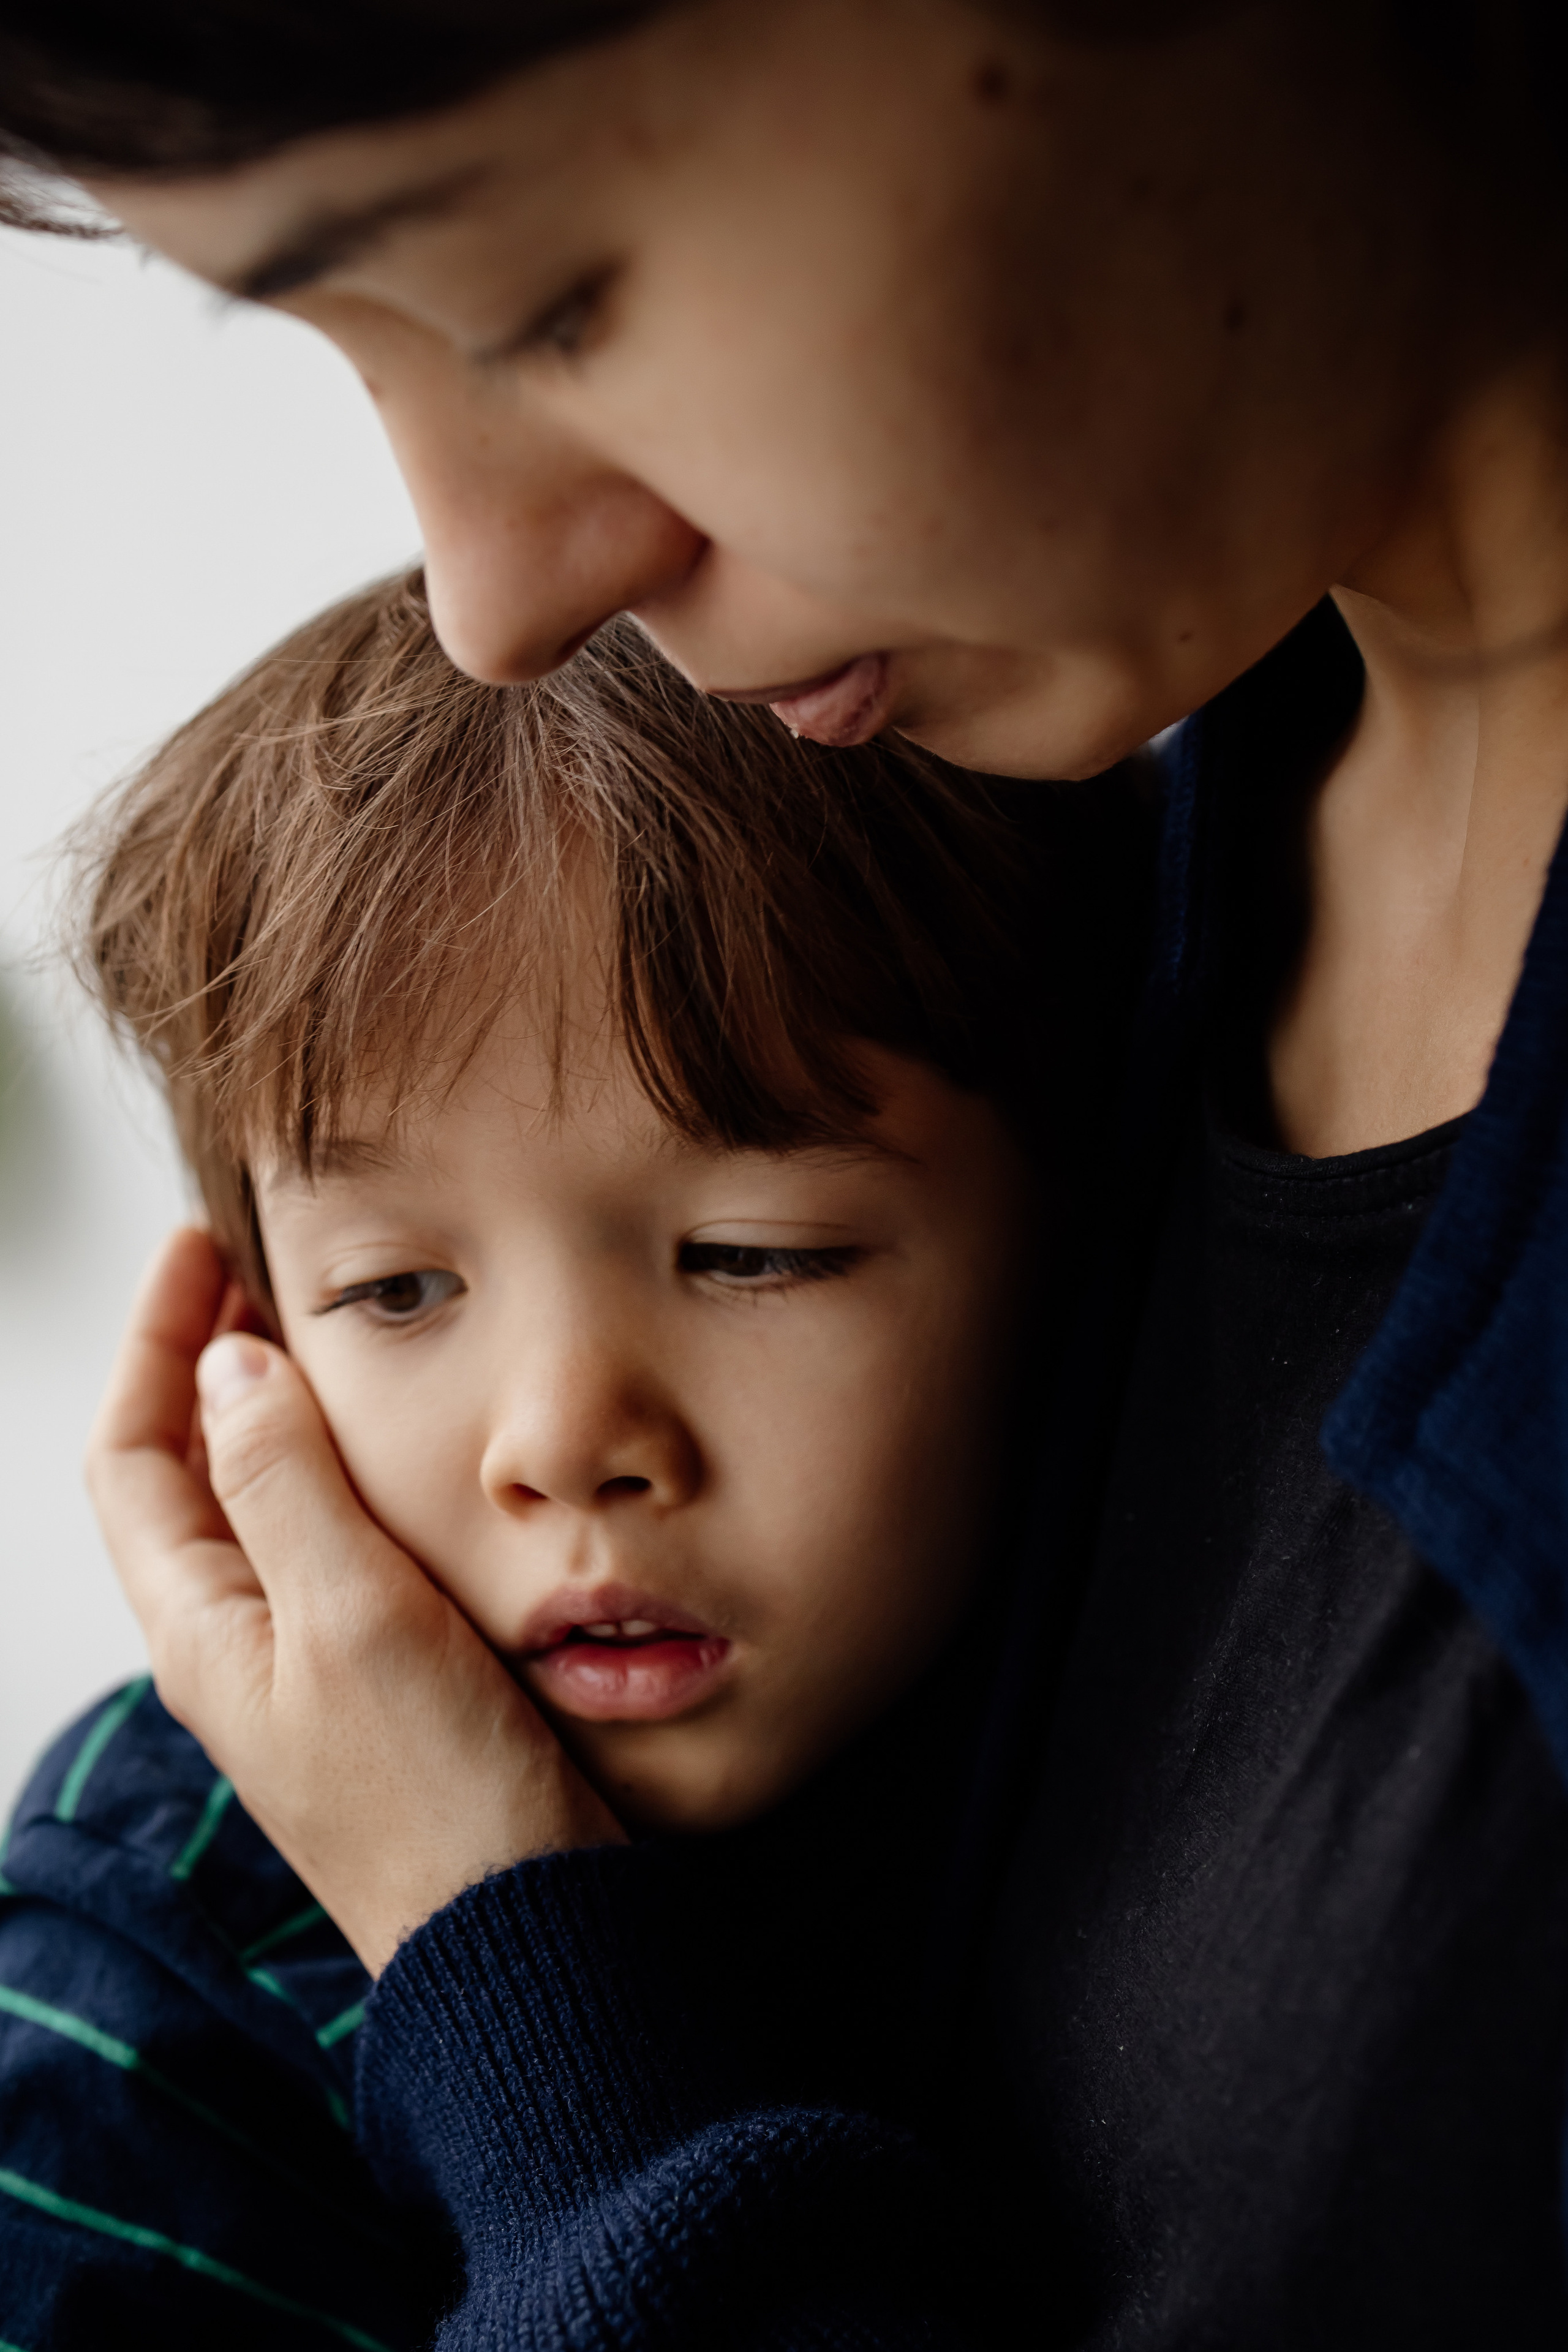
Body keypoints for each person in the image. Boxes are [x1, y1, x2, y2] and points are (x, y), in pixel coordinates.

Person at [3, 0, 1568, 2340]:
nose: (493, 600)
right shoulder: (1118, 854)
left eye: (547, 298)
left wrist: (508, 1971)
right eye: (396, 1284)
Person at [0, 569, 1147, 2345]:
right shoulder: (159, 1970)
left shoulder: (1172, 1710)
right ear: (245, 1346)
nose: (559, 1442)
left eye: (758, 1254)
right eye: (392, 1289)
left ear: (1080, 1247)